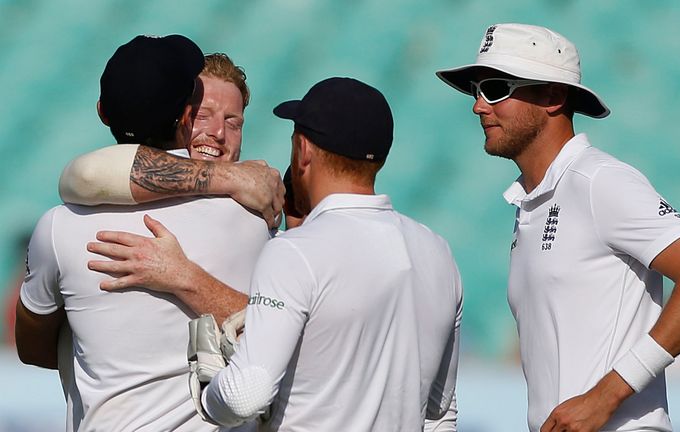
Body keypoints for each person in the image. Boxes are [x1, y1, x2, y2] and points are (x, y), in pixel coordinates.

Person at [436, 23, 680, 432]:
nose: (478, 106)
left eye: (495, 88)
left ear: (553, 96)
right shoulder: (533, 200)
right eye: (476, 90)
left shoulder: (599, 181)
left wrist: (606, 395)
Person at [15, 35, 271, 431]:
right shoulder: (252, 216)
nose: (219, 133)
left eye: (233, 121)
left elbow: (31, 349)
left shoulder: (58, 227)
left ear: (101, 111)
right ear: (186, 118)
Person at [191, 77, 463, 431]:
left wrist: (209, 388)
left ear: (303, 150)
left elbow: (246, 393)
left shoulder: (293, 252)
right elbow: (440, 411)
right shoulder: (437, 251)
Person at [57, 52, 284, 228]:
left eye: (233, 123)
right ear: (178, 119)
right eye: (201, 116)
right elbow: (84, 174)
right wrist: (233, 177)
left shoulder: (259, 225)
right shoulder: (93, 215)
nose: (219, 133)